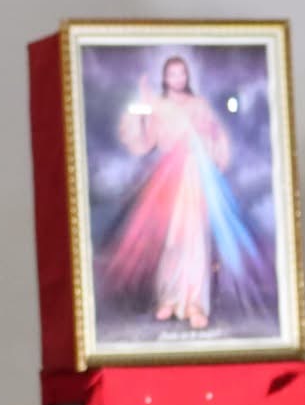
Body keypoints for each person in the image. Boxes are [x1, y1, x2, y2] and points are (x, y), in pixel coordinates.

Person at [103, 54, 265, 331]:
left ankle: (195, 303)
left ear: (187, 76)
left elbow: (216, 136)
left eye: (181, 73)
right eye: (172, 74)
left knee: (195, 238)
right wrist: (144, 109)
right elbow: (146, 142)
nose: (177, 78)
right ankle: (169, 297)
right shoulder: (159, 105)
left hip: (195, 175)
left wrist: (207, 140)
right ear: (165, 78)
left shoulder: (199, 104)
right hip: (169, 178)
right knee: (171, 239)